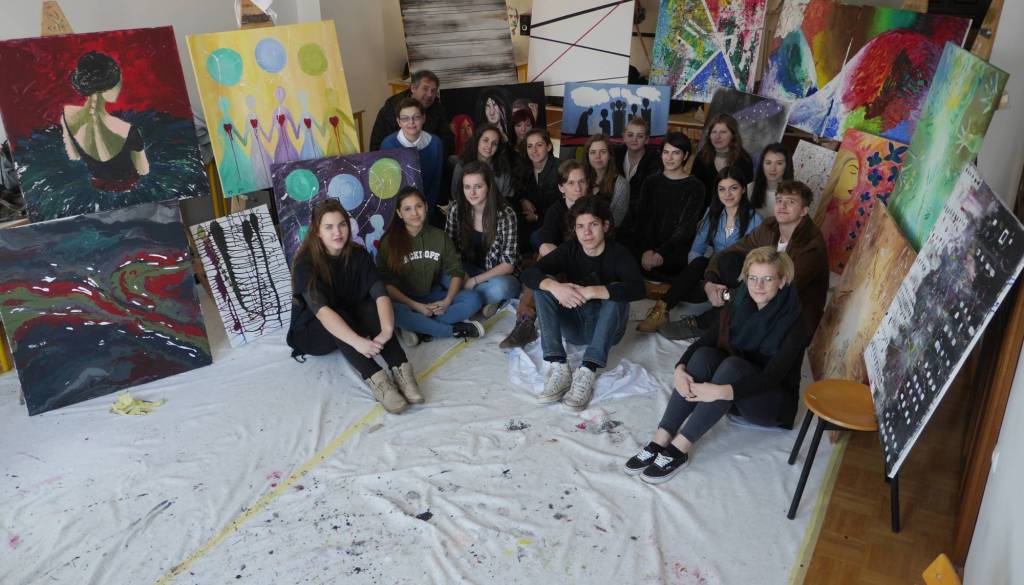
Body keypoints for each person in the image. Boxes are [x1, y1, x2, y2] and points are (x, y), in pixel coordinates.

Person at [624, 247, 808, 484]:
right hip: (730, 392)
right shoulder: (740, 302)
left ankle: (679, 449)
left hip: (769, 402)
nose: (758, 286)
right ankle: (659, 440)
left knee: (732, 366)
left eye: (767, 279)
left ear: (782, 281)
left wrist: (721, 391)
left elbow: (772, 377)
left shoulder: (795, 320)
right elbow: (707, 339)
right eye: (753, 278)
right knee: (703, 356)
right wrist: (680, 368)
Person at [286, 199, 418, 415]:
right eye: (329, 227)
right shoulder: (305, 263)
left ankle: (401, 369)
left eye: (342, 225)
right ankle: (378, 380)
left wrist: (387, 331)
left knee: (369, 308)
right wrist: (358, 342)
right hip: (313, 332)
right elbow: (324, 313)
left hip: (347, 315)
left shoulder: (358, 254)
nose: (337, 232)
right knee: (339, 315)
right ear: (318, 232)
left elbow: (380, 294)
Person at [661, 180, 828, 341]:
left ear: (804, 211)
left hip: (788, 309)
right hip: (758, 291)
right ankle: (667, 308)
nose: (782, 206)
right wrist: (710, 283)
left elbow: (781, 289)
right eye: (779, 200)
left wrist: (731, 295)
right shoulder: (770, 226)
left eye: (790, 202)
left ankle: (701, 324)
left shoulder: (812, 245)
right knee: (728, 261)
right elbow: (731, 250)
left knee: (748, 294)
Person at [521, 196, 645, 411]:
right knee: (544, 286)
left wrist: (593, 291)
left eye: (593, 225)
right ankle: (558, 366)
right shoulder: (570, 249)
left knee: (617, 293)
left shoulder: (618, 253)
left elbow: (638, 288)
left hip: (607, 330)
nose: (586, 232)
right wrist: (555, 287)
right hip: (575, 326)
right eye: (580, 226)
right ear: (574, 229)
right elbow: (529, 274)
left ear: (605, 226)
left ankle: (587, 370)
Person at [637, 166, 762, 332]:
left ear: (744, 189)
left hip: (735, 285)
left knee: (719, 273)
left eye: (733, 188)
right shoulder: (713, 213)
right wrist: (698, 275)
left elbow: (758, 262)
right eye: (722, 189)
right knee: (699, 262)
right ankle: (661, 310)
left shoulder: (755, 220)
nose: (727, 194)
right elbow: (697, 247)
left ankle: (698, 314)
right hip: (711, 277)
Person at [500, 159, 590, 349]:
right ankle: (525, 322)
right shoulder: (556, 210)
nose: (578, 188)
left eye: (582, 181)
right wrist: (559, 261)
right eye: (571, 183)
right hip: (562, 265)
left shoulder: (596, 208)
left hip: (590, 267)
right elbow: (545, 244)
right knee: (542, 264)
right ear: (561, 187)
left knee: (544, 266)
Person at [377, 187, 485, 343]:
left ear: (426, 207)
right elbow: (385, 283)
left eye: (418, 206)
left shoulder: (440, 237)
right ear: (399, 213)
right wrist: (416, 306)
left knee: (474, 299)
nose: (414, 213)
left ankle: (420, 327)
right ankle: (452, 330)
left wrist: (447, 301)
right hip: (404, 300)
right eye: (407, 209)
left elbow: (456, 271)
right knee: (391, 312)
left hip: (434, 296)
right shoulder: (388, 242)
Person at [62, 51, 149, 192]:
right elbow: (143, 170)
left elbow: (74, 156)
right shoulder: (128, 131)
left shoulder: (67, 115)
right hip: (130, 191)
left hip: (95, 189)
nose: (120, 85)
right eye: (118, 81)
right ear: (105, 88)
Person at [627, 132, 706, 281]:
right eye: (666, 152)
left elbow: (686, 228)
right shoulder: (651, 182)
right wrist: (647, 250)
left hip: (675, 249)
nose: (669, 158)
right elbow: (642, 221)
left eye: (676, 153)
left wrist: (661, 253)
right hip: (647, 248)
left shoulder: (696, 186)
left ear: (685, 155)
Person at [446, 161, 521, 317]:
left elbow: (508, 265)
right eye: (467, 187)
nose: (472, 193)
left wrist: (474, 281)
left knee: (503, 287)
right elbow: (449, 251)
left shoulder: (506, 214)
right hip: (466, 269)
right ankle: (482, 302)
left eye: (478, 186)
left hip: (496, 275)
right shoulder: (456, 209)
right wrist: (462, 275)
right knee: (441, 275)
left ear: (489, 186)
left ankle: (465, 300)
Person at [380, 98, 444, 210]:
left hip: (427, 205)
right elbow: (388, 185)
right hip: (398, 208)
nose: (411, 122)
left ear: (423, 118)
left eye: (416, 117)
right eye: (405, 118)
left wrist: (427, 208)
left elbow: (436, 181)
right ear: (399, 122)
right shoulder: (388, 145)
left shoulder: (435, 143)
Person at [369, 71, 454, 155]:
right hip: (396, 159)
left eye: (433, 91)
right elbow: (376, 144)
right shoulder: (391, 108)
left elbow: (447, 142)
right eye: (425, 89)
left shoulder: (438, 109)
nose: (430, 95)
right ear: (413, 88)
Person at [691, 114, 753, 207]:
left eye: (723, 132)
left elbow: (746, 193)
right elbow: (694, 190)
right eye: (714, 132)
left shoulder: (744, 160)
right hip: (705, 210)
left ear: (733, 135)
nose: (717, 136)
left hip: (734, 210)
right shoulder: (702, 157)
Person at [614, 116, 662, 224]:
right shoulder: (616, 155)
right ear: (624, 137)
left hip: (642, 215)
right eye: (630, 135)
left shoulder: (655, 160)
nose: (634, 140)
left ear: (646, 140)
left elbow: (648, 195)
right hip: (615, 210)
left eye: (640, 136)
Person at [516, 129, 560, 242]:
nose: (534, 150)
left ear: (548, 147)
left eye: (539, 145)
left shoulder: (560, 169)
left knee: (535, 238)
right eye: (529, 146)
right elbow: (518, 190)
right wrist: (523, 200)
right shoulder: (524, 167)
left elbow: (564, 206)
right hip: (531, 218)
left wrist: (537, 217)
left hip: (555, 223)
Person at [451, 124, 515, 202]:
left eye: (494, 143)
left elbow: (507, 198)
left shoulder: (503, 168)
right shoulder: (461, 166)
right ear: (477, 140)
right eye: (485, 140)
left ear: (498, 147)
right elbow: (456, 196)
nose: (489, 146)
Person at [583, 134, 630, 227]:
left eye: (603, 152)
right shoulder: (580, 178)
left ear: (610, 155)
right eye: (593, 152)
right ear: (587, 156)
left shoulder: (621, 185)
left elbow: (614, 223)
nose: (598, 156)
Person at [749, 143, 793, 219]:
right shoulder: (750, 188)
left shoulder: (794, 194)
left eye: (779, 163)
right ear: (762, 165)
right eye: (768, 163)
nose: (772, 168)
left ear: (787, 166)